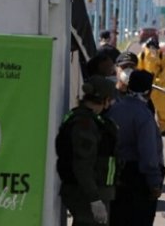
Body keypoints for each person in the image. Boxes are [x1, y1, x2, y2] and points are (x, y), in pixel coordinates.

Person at [55, 75, 118, 226]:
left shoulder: (91, 121)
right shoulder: (85, 124)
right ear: (105, 99)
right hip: (86, 194)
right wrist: (94, 199)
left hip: (90, 192)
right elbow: (82, 164)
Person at [108, 70, 165, 226]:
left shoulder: (114, 109)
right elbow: (148, 154)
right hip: (137, 180)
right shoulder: (144, 115)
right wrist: (154, 183)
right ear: (149, 92)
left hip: (115, 177)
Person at [137, 36, 165, 136]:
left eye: (154, 47)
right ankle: (145, 128)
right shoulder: (142, 56)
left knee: (164, 108)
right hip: (147, 87)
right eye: (151, 47)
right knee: (145, 108)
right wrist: (143, 82)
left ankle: (163, 129)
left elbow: (164, 70)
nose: (152, 49)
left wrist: (158, 81)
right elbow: (139, 69)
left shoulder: (161, 56)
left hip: (160, 87)